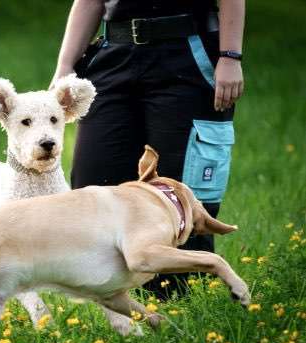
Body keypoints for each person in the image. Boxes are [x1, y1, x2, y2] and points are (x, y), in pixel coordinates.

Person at [51, 0, 245, 298]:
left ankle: (178, 301)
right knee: (93, 178)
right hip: (113, 54)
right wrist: (65, 65)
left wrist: (229, 56)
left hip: (186, 53)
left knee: (181, 189)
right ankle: (110, 302)